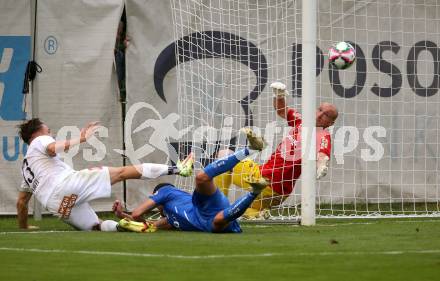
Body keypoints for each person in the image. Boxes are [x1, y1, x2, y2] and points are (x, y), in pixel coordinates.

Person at [16, 118, 193, 231]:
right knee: (122, 172)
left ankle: (129, 225)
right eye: (48, 132)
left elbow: (21, 202)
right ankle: (179, 169)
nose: (50, 134)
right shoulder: (39, 140)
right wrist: (82, 138)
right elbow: (52, 148)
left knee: (97, 227)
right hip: (65, 186)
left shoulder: (26, 167)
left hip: (56, 205)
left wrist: (24, 227)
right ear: (37, 133)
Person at [214, 82, 339, 219]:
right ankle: (256, 213)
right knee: (243, 211)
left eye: (326, 114)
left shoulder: (323, 134)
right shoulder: (300, 121)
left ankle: (216, 207)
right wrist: (279, 95)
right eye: (320, 109)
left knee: (224, 156)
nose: (320, 114)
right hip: (275, 191)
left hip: (266, 182)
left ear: (330, 123)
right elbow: (281, 110)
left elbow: (323, 154)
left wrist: (322, 165)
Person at [112, 129, 268, 233]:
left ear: (157, 197)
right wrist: (122, 215)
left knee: (201, 178)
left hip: (203, 206)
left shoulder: (166, 192)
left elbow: (138, 214)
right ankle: (255, 190)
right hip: (208, 223)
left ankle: (250, 150)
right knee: (219, 221)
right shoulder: (170, 220)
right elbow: (148, 226)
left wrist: (131, 217)